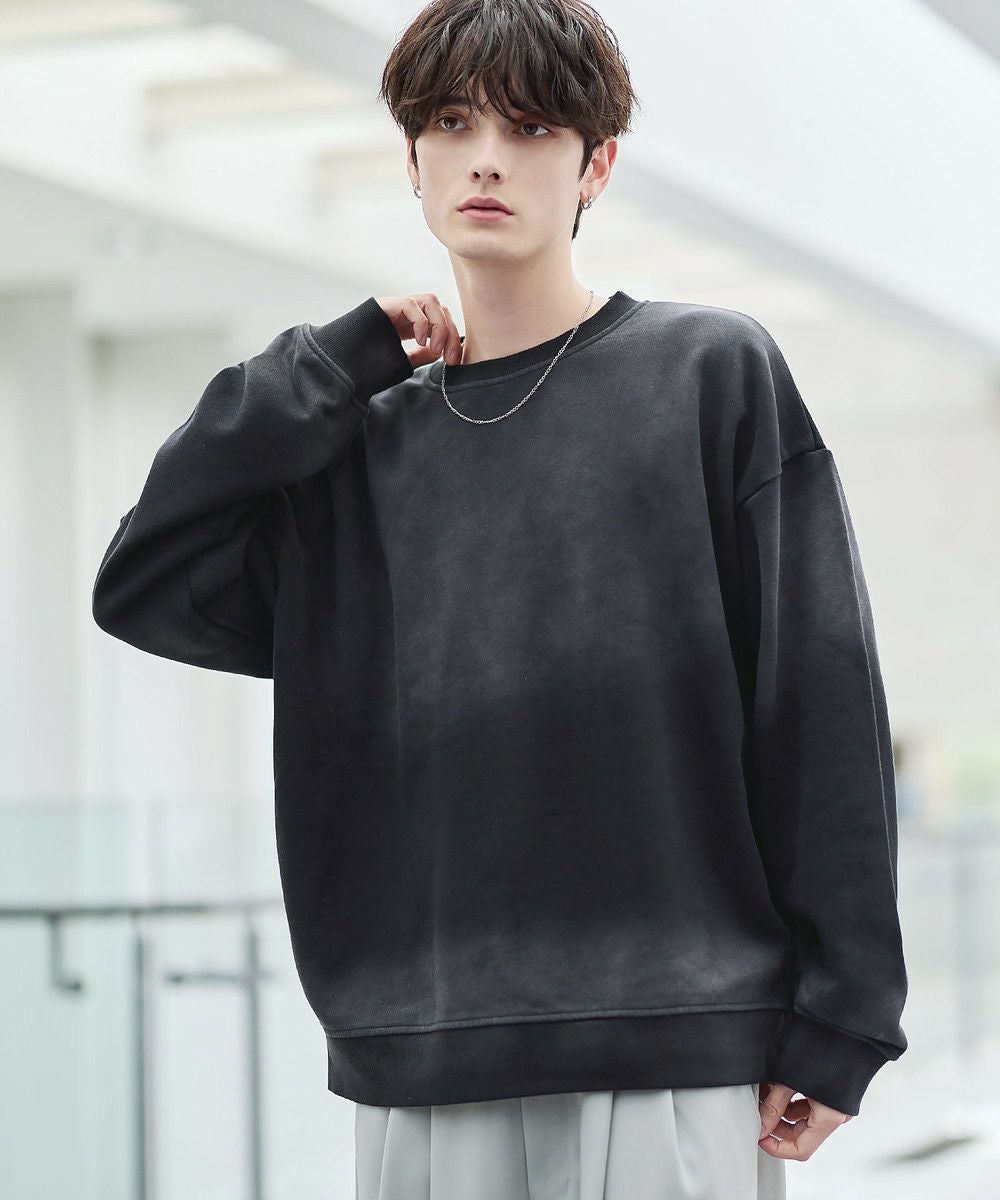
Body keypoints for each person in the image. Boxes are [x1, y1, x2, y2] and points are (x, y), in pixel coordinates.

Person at [91, 0, 909, 1195]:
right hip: (421, 1049)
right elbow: (144, 579)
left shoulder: (706, 374)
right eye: (451, 123)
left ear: (596, 165)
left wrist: (845, 1012)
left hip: (672, 1039)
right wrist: (325, 367)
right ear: (411, 158)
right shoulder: (357, 444)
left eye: (529, 128)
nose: (485, 157)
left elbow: (818, 695)